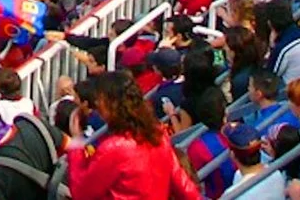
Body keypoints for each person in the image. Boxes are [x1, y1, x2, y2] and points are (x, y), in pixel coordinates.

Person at [66, 72, 201, 200]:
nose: (96, 105)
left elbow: (82, 191)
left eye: (99, 100)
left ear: (112, 104)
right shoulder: (157, 134)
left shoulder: (114, 147)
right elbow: (182, 184)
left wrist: (76, 143)